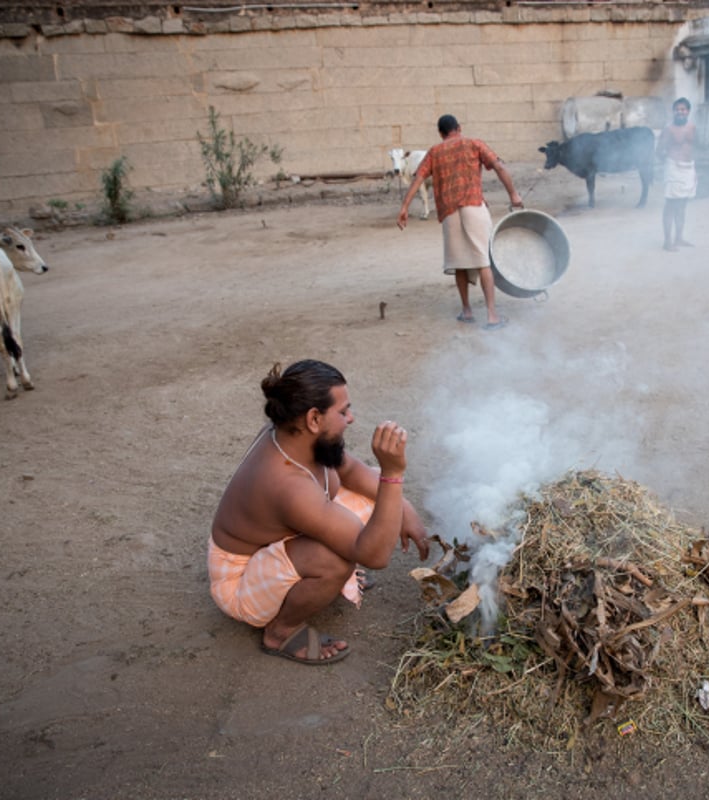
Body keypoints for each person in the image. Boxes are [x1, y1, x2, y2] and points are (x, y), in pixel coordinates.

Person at [208, 360, 430, 665]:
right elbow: (376, 557)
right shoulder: (288, 485)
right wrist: (393, 473)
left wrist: (404, 507)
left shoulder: (294, 434)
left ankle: (321, 582)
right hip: (240, 582)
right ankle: (280, 632)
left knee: (377, 496)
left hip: (275, 542)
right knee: (336, 559)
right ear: (314, 418)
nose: (351, 418)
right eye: (343, 412)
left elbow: (352, 469)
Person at [396, 114, 524, 330]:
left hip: (449, 213)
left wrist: (404, 208)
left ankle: (467, 311)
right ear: (459, 128)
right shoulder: (474, 143)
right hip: (474, 206)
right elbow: (500, 167)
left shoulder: (434, 152)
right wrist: (514, 195)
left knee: (459, 263)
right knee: (483, 261)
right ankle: (492, 315)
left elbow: (418, 178)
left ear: (440, 133)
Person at [656, 97, 698, 252]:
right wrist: (669, 164)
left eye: (683, 109)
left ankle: (679, 238)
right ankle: (667, 242)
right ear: (673, 112)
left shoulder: (693, 127)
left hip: (689, 168)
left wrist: (694, 169)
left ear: (688, 111)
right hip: (673, 167)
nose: (680, 112)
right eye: (677, 109)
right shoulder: (669, 129)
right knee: (671, 205)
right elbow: (659, 151)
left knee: (683, 205)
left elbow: (694, 147)